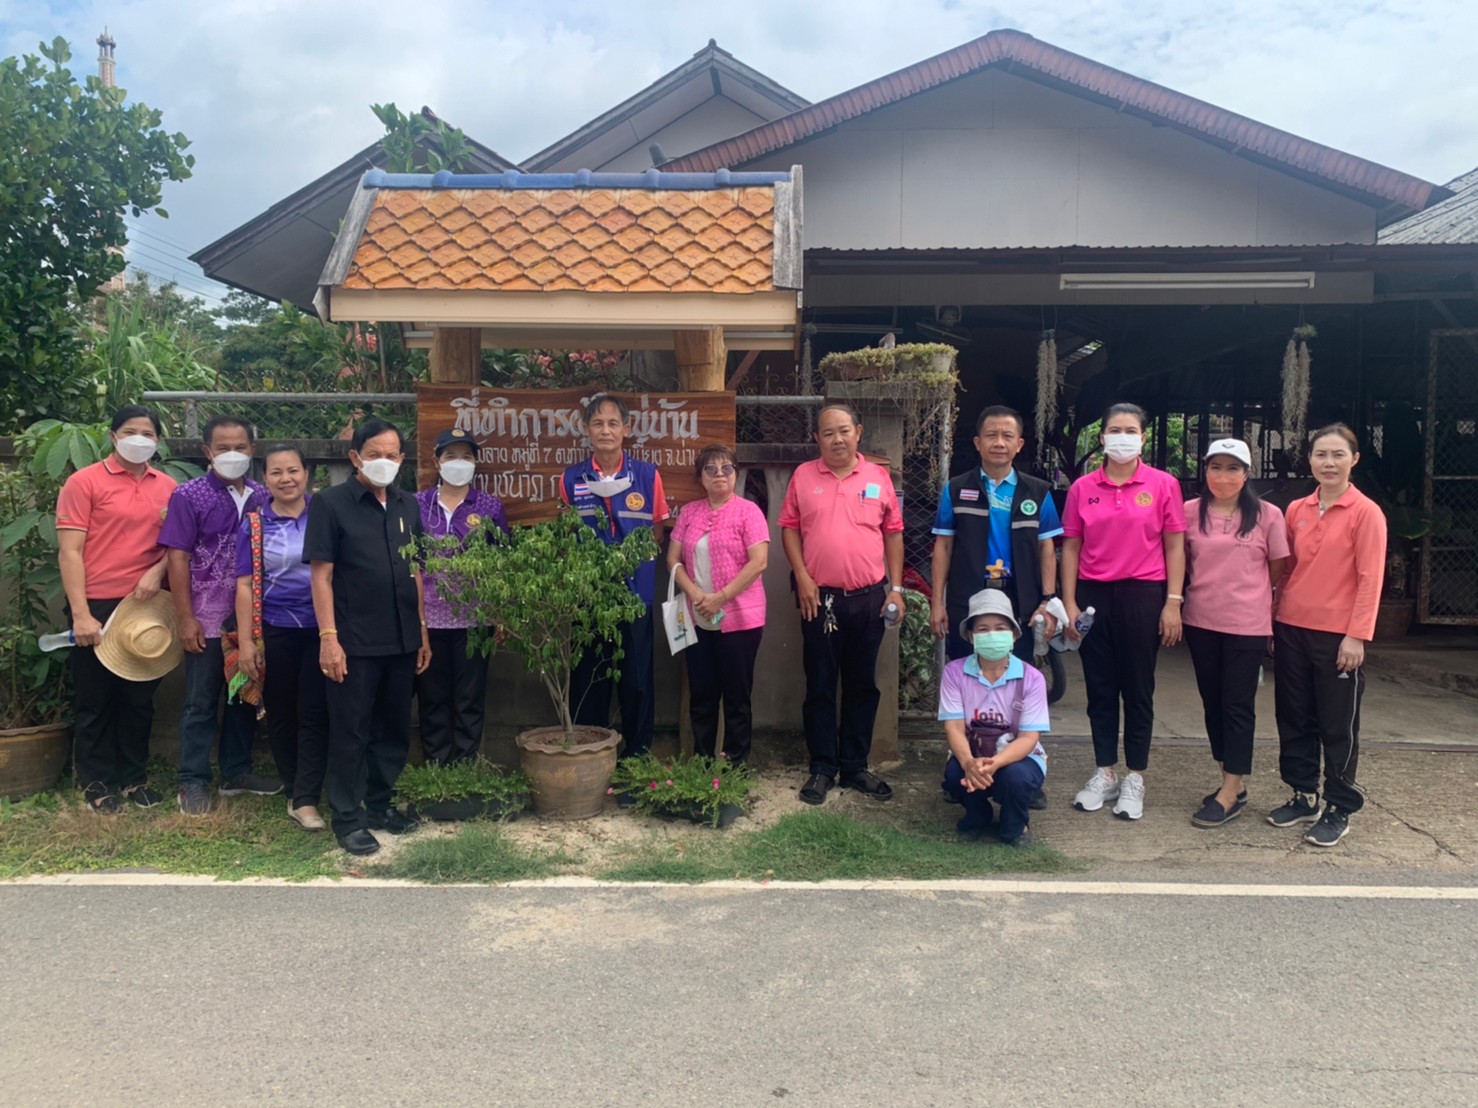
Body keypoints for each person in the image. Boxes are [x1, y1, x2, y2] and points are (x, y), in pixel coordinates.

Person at [305, 419, 431, 855]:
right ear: (355, 457)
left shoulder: (407, 504)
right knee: (351, 731)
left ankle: (380, 804)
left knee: (393, 729)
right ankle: (348, 817)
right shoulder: (330, 504)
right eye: (375, 454)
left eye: (392, 455)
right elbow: (321, 577)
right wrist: (328, 638)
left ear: (402, 459)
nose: (384, 462)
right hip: (353, 641)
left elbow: (416, 572)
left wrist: (422, 631)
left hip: (402, 638)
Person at [1061, 402, 1186, 821]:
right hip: (1093, 595)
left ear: (1143, 438)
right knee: (1099, 687)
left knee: (1137, 687)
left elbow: (1174, 546)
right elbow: (1071, 547)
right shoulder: (1083, 488)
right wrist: (1070, 602)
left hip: (1143, 594)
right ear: (1102, 437)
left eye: (1131, 430)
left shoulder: (1163, 484)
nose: (1122, 437)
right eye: (1114, 430)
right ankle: (1105, 771)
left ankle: (1135, 775)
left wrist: (1172, 601)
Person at [779, 401, 905, 805]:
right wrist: (802, 576)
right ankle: (822, 768)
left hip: (870, 599)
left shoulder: (878, 477)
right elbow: (789, 529)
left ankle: (854, 766)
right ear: (817, 438)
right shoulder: (803, 476)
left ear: (858, 432)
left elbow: (893, 533)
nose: (837, 439)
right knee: (819, 684)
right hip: (820, 600)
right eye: (828, 432)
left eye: (844, 430)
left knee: (862, 685)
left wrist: (896, 589)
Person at [55, 406, 178, 813]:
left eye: (147, 433)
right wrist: (80, 614)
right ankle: (97, 783)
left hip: (148, 606)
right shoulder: (84, 482)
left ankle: (133, 779)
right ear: (112, 436)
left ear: (157, 441)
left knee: (139, 698)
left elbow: (178, 546)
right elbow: (70, 552)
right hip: (97, 602)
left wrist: (156, 572)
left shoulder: (168, 487)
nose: (138, 439)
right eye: (129, 431)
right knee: (96, 699)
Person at [1268, 423, 1385, 848]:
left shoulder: (1366, 513)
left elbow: (1370, 579)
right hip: (1291, 626)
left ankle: (1340, 806)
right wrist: (1272, 618)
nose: (1329, 463)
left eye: (1338, 454)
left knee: (1338, 724)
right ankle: (1304, 794)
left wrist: (1357, 635)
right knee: (1294, 716)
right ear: (1310, 460)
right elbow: (1287, 569)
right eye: (1321, 454)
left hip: (1338, 636)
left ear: (1354, 459)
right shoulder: (1297, 509)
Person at [158, 415, 275, 814]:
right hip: (206, 620)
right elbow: (177, 557)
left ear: (252, 450)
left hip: (251, 620)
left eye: (240, 447)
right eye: (223, 448)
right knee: (201, 701)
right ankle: (192, 780)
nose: (232, 454)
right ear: (207, 452)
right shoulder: (188, 496)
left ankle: (236, 772)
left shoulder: (263, 495)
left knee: (244, 693)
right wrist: (185, 617)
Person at [1181, 439, 1290, 827]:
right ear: (1206, 471)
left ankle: (1230, 791)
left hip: (1246, 624)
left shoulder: (1268, 515)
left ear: (1247, 474)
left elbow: (1277, 566)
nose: (1223, 476)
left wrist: (1253, 594)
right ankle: (1232, 780)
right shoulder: (1189, 512)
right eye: (1216, 467)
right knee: (1212, 702)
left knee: (1237, 704)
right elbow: (1181, 560)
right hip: (1200, 620)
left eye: (1232, 468)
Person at [559, 394, 669, 761]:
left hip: (635, 594)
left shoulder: (647, 476)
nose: (605, 430)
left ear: (626, 429)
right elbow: (567, 534)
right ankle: (590, 757)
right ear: (586, 430)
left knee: (637, 679)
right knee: (590, 679)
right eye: (597, 424)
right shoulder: (571, 478)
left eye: (612, 423)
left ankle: (636, 758)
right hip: (588, 596)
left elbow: (657, 532)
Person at [233, 445, 329, 831]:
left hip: (324, 629)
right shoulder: (254, 525)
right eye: (276, 472)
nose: (286, 479)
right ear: (265, 479)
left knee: (316, 711)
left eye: (293, 470)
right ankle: (296, 792)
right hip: (275, 630)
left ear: (306, 473)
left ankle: (309, 794)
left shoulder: (326, 515)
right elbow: (244, 585)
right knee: (282, 713)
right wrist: (246, 642)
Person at [930, 404, 1063, 663]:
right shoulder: (955, 489)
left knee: (1017, 670)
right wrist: (937, 602)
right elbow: (943, 546)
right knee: (966, 668)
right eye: (991, 435)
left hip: (1021, 599)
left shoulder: (1038, 492)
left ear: (1019, 444)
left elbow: (1046, 548)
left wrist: (1047, 600)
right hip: (968, 597)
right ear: (978, 443)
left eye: (1007, 436)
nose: (999, 443)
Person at [665, 444, 769, 764]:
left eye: (727, 468)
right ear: (701, 477)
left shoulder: (748, 511)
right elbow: (672, 559)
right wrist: (696, 596)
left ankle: (735, 767)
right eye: (710, 469)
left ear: (736, 474)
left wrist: (720, 597)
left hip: (741, 619)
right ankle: (703, 763)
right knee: (702, 695)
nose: (719, 474)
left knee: (737, 697)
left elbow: (759, 562)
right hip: (697, 616)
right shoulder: (689, 512)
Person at [415, 428, 509, 765]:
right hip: (429, 619)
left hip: (475, 617)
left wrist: (500, 613)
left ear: (475, 463)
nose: (459, 463)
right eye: (451, 456)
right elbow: (409, 562)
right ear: (436, 461)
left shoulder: (489, 506)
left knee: (469, 696)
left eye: (466, 456)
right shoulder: (417, 504)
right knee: (432, 695)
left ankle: (466, 763)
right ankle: (436, 763)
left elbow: (501, 561)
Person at [938, 590, 1051, 847]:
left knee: (1016, 778)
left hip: (1020, 757)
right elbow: (954, 727)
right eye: (983, 629)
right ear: (971, 636)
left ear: (1014, 635)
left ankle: (1015, 825)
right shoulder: (954, 673)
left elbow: (1029, 737)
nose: (992, 635)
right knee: (955, 773)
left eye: (1000, 628)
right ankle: (977, 815)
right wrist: (968, 762)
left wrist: (996, 763)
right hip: (973, 752)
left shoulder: (1032, 678)